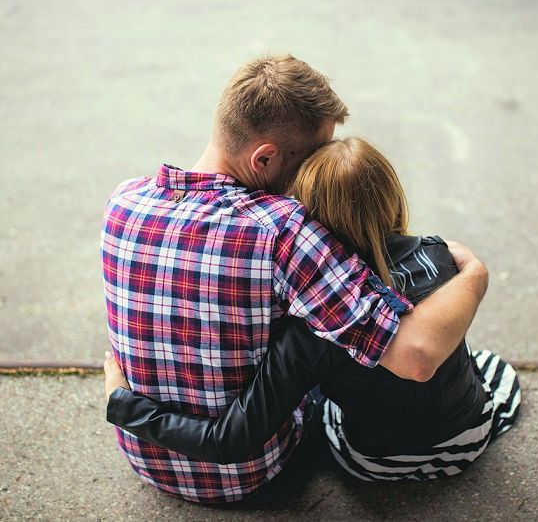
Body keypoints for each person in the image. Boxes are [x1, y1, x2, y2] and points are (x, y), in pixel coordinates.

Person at [101, 55, 488, 504]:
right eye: (310, 157)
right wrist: (475, 274)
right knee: (332, 353)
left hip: (144, 456)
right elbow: (411, 355)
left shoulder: (123, 200)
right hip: (252, 477)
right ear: (264, 157)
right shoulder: (282, 230)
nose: (314, 170)